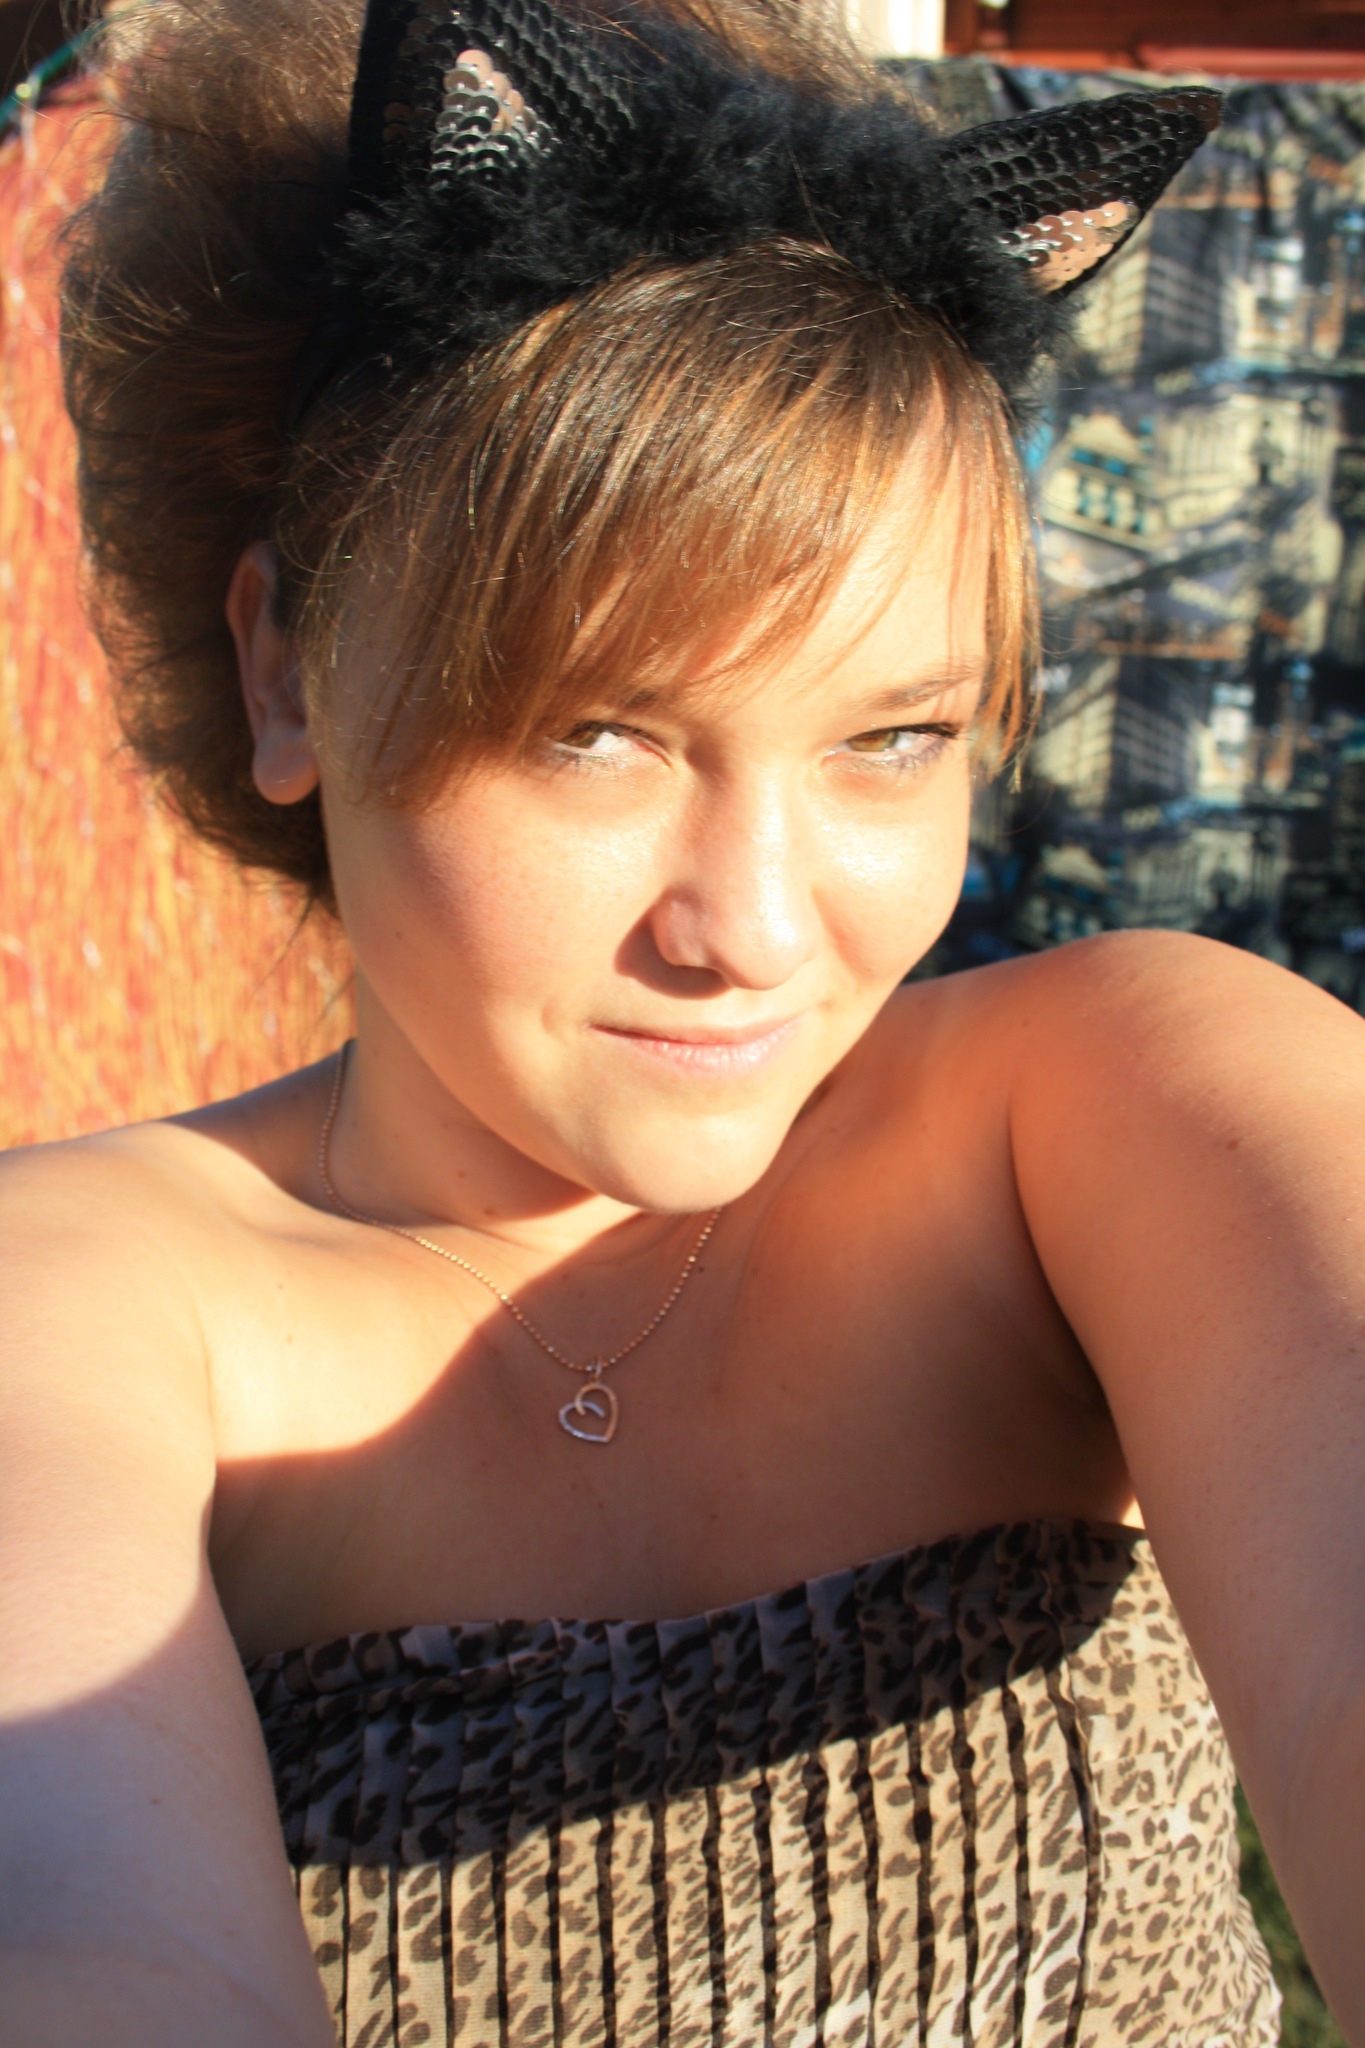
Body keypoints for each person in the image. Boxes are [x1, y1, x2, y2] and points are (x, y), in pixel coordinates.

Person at [2, 0, 1362, 2042]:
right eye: (597, 733)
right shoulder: (81, 1311)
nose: (754, 927)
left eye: (890, 739)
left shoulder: (1103, 1113)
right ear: (287, 671)